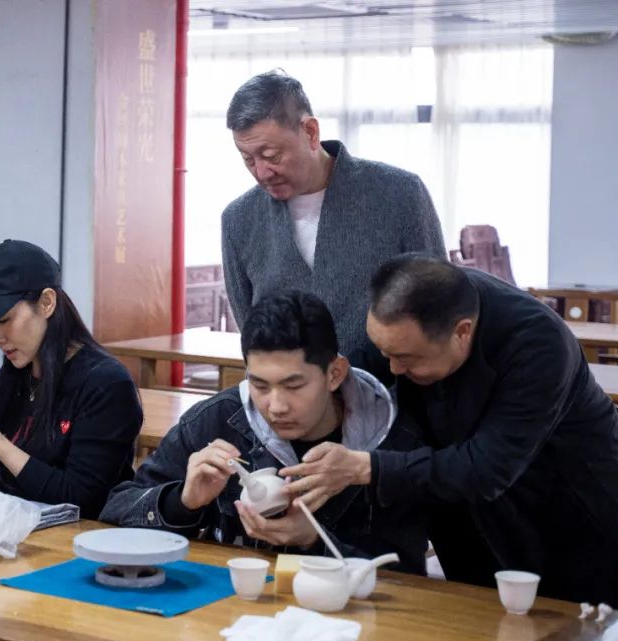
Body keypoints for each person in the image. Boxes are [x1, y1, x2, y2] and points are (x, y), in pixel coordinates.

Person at [279, 256, 618, 603]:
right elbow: (361, 381)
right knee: (475, 616)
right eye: (384, 351)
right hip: (465, 509)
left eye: (406, 359)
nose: (392, 368)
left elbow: (487, 468)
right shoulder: (412, 310)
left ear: (462, 332)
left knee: (573, 625)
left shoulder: (539, 344)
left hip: (567, 508)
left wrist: (365, 467)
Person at [100, 292, 425, 571]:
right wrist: (182, 501)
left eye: (293, 386)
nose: (276, 406)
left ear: (335, 374)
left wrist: (313, 541)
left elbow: (408, 575)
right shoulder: (218, 420)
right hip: (225, 610)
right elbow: (114, 513)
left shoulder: (390, 439)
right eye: (260, 385)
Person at [220, 70, 446, 365]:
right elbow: (251, 333)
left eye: (272, 155)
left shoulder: (399, 193)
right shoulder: (239, 220)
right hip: (288, 392)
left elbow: (438, 305)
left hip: (393, 387)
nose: (262, 172)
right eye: (248, 159)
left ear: (311, 132)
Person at [0, 239, 142, 518]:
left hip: (80, 538)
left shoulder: (106, 383)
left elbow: (82, 500)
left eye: (4, 319)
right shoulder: (15, 374)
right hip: (17, 531)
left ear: (46, 303)